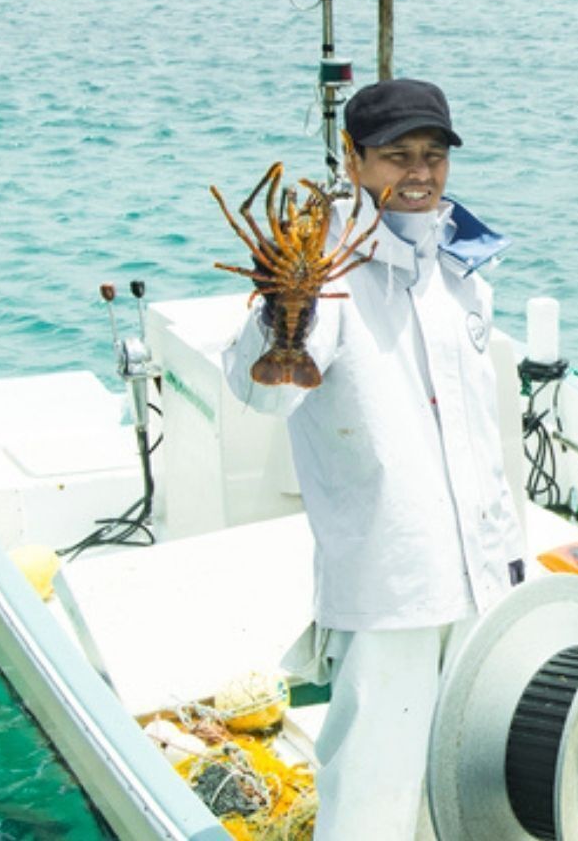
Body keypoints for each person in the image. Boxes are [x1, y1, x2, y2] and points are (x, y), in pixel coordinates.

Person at [222, 78, 523, 839]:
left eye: (433, 155)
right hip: (391, 584)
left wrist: (510, 560)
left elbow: (482, 439)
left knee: (470, 782)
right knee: (372, 795)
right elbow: (261, 392)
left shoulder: (462, 266)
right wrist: (278, 314)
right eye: (396, 156)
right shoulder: (325, 266)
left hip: (482, 576)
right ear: (352, 160)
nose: (418, 173)